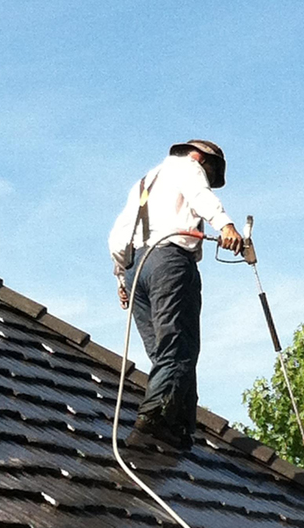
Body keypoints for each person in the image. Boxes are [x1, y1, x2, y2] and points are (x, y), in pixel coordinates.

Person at [108, 139, 243, 449]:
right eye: (209, 173)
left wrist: (121, 278)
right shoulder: (187, 166)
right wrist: (226, 226)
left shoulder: (145, 182)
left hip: (135, 269)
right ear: (201, 158)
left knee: (161, 354)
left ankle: (180, 427)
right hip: (168, 262)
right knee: (177, 350)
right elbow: (200, 196)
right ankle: (152, 424)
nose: (207, 178)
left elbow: (118, 237)